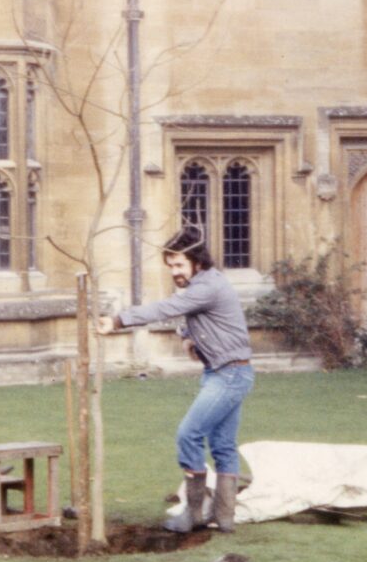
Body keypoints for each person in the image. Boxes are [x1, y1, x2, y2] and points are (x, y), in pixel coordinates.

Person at [97, 226, 254, 533]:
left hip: (230, 374)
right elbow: (190, 316)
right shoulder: (202, 285)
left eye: (179, 265)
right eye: (170, 266)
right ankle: (224, 519)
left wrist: (117, 320)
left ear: (198, 261)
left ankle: (194, 514)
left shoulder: (208, 286)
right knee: (223, 446)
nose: (174, 272)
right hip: (223, 372)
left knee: (189, 434)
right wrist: (187, 336)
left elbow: (167, 308)